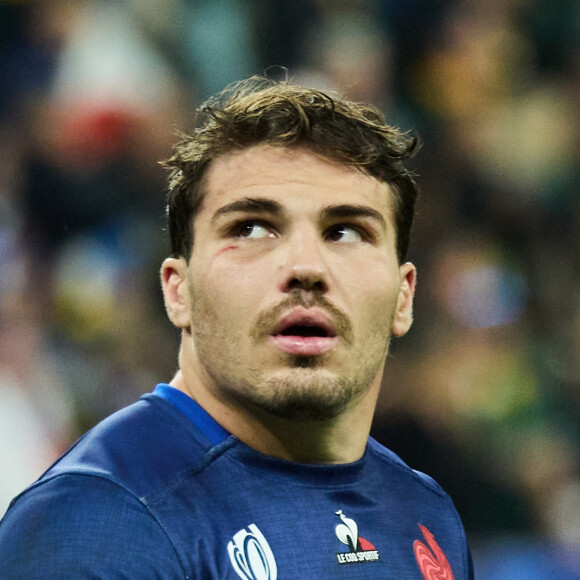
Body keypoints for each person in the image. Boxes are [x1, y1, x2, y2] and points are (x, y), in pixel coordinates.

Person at [0, 76, 474, 579]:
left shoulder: (427, 514)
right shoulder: (103, 521)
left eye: (347, 231)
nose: (306, 267)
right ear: (178, 290)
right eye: (251, 228)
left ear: (404, 297)